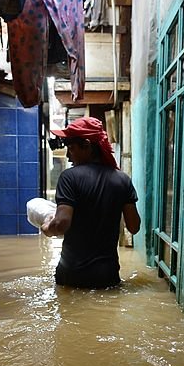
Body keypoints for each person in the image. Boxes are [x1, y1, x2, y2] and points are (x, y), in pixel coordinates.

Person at [41, 117, 141, 288]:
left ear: (87, 146)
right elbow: (134, 226)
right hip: (108, 276)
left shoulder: (69, 177)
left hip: (72, 276)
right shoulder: (123, 180)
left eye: (71, 149)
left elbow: (61, 224)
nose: (68, 155)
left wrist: (47, 227)